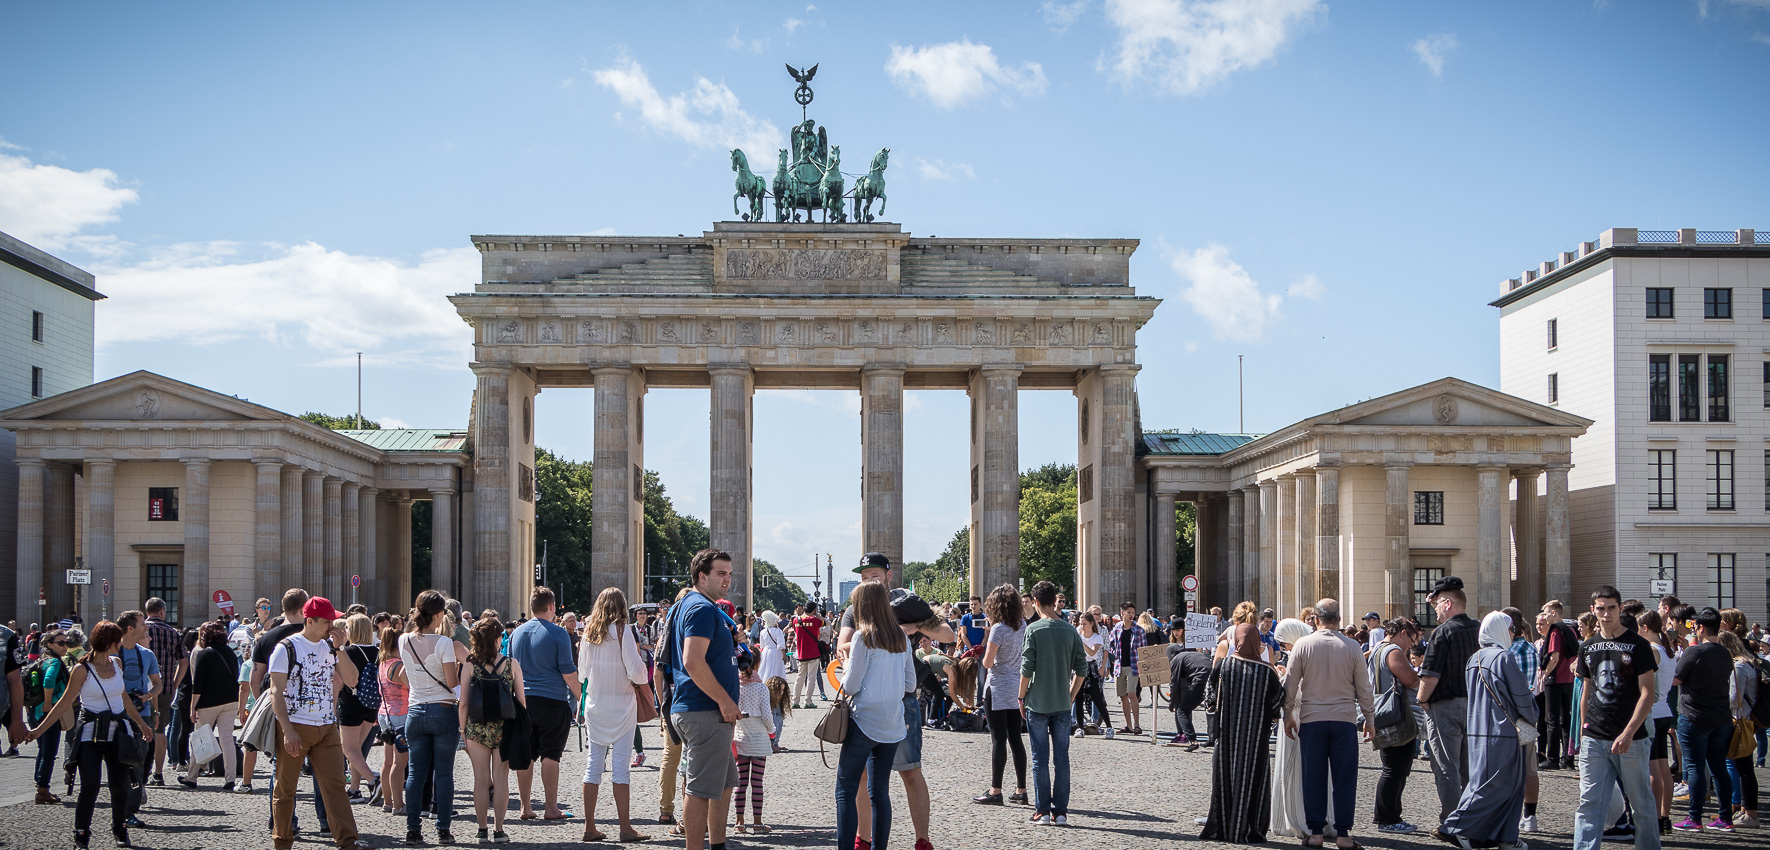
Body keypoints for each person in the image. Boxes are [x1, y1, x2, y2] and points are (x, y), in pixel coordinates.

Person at [839, 554, 956, 850]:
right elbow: (843, 644)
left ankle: (922, 839)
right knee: (869, 782)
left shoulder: (908, 602)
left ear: (889, 576)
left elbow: (947, 633)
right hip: (885, 697)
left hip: (898, 702)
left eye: (873, 576)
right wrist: (883, 636)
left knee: (910, 770)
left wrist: (910, 627)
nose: (868, 581)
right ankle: (864, 839)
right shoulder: (857, 608)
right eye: (864, 578)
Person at [23, 621, 153, 849]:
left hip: (117, 734)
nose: (121, 644)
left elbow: (123, 698)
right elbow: (63, 704)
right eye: (118, 640)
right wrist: (37, 731)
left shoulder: (117, 663)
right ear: (109, 642)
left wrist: (142, 724)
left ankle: (119, 829)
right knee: (90, 785)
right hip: (89, 735)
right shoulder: (82, 669)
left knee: (119, 785)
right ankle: (81, 834)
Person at [266, 597, 366, 850]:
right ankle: (282, 842)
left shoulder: (329, 648)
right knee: (286, 788)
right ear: (309, 621)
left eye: (333, 620)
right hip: (296, 725)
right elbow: (275, 691)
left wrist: (340, 648)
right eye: (326, 621)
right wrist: (287, 730)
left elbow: (352, 680)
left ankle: (347, 841)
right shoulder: (286, 647)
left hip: (326, 727)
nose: (332, 626)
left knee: (336, 786)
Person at [1437, 610, 1539, 850]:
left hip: (1479, 730)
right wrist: (1533, 715)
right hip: (1504, 731)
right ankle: (1456, 826)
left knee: (1484, 783)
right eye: (1511, 629)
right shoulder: (1504, 657)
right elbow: (1521, 695)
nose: (1513, 634)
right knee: (1503, 786)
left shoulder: (1475, 658)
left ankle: (1504, 837)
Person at [662, 550, 742, 850]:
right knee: (698, 789)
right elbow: (693, 661)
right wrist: (724, 700)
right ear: (701, 576)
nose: (728, 579)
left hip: (703, 709)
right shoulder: (701, 609)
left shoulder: (694, 606)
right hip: (705, 709)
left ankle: (718, 844)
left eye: (729, 573)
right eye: (721, 573)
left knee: (722, 784)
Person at [1282, 600, 1375, 849]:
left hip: (1312, 719)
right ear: (1339, 619)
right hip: (1344, 719)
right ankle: (1343, 834)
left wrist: (1288, 715)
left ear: (1315, 618)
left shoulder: (1303, 644)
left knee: (1313, 776)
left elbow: (1290, 684)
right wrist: (1369, 718)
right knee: (1345, 778)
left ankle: (1316, 833)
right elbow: (1364, 688)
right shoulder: (1353, 646)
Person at [835, 581, 916, 850]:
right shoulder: (901, 638)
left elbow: (851, 686)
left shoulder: (863, 637)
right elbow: (910, 685)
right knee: (879, 791)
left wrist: (846, 666)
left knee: (845, 789)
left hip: (864, 720)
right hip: (892, 723)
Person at [576, 587, 649, 843]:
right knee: (620, 768)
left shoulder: (588, 634)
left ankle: (589, 826)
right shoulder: (623, 632)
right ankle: (626, 827)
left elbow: (581, 675)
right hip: (622, 707)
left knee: (593, 766)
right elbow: (637, 673)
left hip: (595, 707)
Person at [1202, 622, 1284, 844]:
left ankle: (1224, 828)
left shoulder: (1225, 666)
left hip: (1227, 739)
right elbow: (1277, 705)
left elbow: (1209, 697)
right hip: (1256, 741)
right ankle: (1251, 828)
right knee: (1253, 782)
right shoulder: (1267, 672)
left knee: (1225, 780)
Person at [508, 585, 578, 822]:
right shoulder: (559, 634)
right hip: (553, 701)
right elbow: (568, 673)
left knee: (526, 754)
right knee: (551, 754)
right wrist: (583, 697)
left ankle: (526, 807)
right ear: (551, 607)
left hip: (523, 702)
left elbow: (511, 669)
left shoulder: (516, 634)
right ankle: (550, 807)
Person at [1019, 580, 1086, 825]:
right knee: (1062, 759)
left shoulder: (1034, 630)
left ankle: (1042, 811)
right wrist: (1070, 695)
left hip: (1037, 702)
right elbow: (1082, 668)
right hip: (1062, 703)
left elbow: (1026, 668)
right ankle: (1061, 812)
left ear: (1036, 602)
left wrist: (1020, 696)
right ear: (1053, 600)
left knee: (1040, 759)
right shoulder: (1070, 630)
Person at [401, 589, 465, 845]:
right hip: (442, 709)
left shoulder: (403, 639)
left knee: (416, 773)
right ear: (438, 614)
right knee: (444, 773)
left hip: (415, 710)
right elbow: (451, 682)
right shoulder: (444, 643)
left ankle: (413, 829)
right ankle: (443, 829)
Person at [1418, 576, 1480, 824]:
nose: (1434, 611)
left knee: (1446, 767)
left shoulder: (1443, 632)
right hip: (1475, 707)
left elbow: (1430, 674)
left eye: (1435, 605)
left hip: (1446, 707)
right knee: (1470, 768)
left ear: (1446, 603)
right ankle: (1471, 816)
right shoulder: (1478, 628)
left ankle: (1451, 820)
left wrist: (1422, 700)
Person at [462, 614, 525, 843]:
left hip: (477, 727)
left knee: (480, 779)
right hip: (504, 728)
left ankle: (481, 829)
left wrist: (462, 731)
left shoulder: (470, 664)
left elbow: (464, 703)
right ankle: (499, 829)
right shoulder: (511, 664)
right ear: (498, 639)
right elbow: (521, 702)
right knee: (501, 779)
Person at [1674, 607, 1735, 832]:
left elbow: (1675, 680)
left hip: (1694, 716)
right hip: (1721, 716)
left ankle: (1694, 818)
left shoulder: (1695, 652)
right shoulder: (1725, 652)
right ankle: (1726, 818)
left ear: (1699, 628)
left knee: (1696, 768)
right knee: (1719, 768)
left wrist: (1687, 648)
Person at [973, 583, 1029, 806]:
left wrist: (989, 635)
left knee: (998, 739)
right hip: (1016, 686)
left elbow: (987, 662)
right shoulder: (1022, 624)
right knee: (1016, 738)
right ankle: (1021, 789)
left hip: (997, 687)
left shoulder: (998, 629)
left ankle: (996, 789)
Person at [1371, 618, 1423, 833]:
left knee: (1393, 768)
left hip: (1384, 713)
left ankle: (1388, 815)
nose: (1411, 646)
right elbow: (1409, 679)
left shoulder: (1377, 649)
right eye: (1411, 640)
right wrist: (1425, 684)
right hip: (1396, 715)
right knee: (1395, 769)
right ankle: (1388, 818)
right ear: (1402, 633)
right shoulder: (1392, 651)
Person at [1269, 618, 1318, 840]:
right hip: (1311, 716)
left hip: (1296, 717)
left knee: (1294, 770)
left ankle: (1295, 819)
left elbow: (1296, 693)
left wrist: (1281, 677)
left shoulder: (1300, 653)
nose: (1284, 648)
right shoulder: (1312, 651)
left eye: (1285, 643)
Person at [112, 610, 162, 829]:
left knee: (139, 763)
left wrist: (148, 696)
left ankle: (129, 812)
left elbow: (158, 684)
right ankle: (119, 810)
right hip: (116, 715)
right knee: (117, 765)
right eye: (143, 624)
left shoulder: (147, 655)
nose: (146, 627)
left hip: (142, 714)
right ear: (130, 628)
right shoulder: (111, 653)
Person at [180, 620, 240, 789]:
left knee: (200, 738)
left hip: (208, 702)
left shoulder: (204, 654)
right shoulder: (230, 652)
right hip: (230, 700)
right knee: (227, 740)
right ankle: (230, 779)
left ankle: (192, 777)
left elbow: (197, 685)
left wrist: (193, 707)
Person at [1501, 607, 1543, 834]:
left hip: (1510, 714)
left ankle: (1509, 815)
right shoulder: (1530, 647)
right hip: (1528, 711)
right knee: (1530, 768)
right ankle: (1530, 816)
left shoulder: (1507, 651)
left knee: (1507, 767)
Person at [1635, 610, 1677, 835]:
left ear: (1644, 628)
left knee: (1653, 768)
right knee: (1663, 767)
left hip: (1652, 712)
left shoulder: (1652, 650)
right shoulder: (1668, 650)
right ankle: (1665, 817)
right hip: (1665, 711)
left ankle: (1654, 817)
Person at [141, 598, 186, 787]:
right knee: (161, 729)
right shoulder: (172, 632)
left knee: (141, 728)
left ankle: (142, 770)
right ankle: (158, 774)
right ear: (162, 611)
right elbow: (183, 661)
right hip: (165, 687)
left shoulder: (141, 630)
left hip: (142, 689)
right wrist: (175, 683)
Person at [336, 613, 380, 803]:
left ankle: (372, 780)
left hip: (351, 703)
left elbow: (340, 681)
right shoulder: (378, 651)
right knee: (358, 749)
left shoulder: (349, 651)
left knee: (348, 749)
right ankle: (354, 790)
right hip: (371, 704)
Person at [1719, 631, 1759, 829]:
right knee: (1744, 768)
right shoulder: (1748, 662)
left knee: (1744, 769)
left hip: (1740, 721)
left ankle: (1750, 813)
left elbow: (1735, 699)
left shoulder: (1738, 666)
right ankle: (1745, 811)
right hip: (1746, 720)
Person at [29, 628, 73, 805]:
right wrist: (48, 703)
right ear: (49, 644)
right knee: (49, 752)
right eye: (60, 643)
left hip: (36, 711)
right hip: (48, 711)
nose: (64, 646)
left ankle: (40, 785)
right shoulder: (54, 662)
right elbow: (48, 681)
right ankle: (42, 789)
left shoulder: (42, 660)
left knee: (43, 750)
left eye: (66, 643)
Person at [732, 650, 772, 834]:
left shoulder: (734, 686)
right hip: (759, 741)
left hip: (740, 739)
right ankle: (757, 823)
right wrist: (772, 731)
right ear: (757, 664)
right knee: (757, 783)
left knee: (740, 783)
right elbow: (767, 715)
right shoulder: (762, 688)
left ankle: (739, 822)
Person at [1539, 600, 1578, 769]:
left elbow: (1554, 657)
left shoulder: (1555, 632)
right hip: (1568, 679)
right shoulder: (1570, 630)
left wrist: (1544, 675)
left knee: (1552, 720)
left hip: (1555, 679)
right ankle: (1568, 759)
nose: (1545, 617)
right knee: (1566, 720)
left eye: (1547, 613)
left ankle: (1552, 758)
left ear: (1554, 613)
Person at [376, 625, 410, 816]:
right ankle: (398, 804)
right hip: (401, 715)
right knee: (400, 762)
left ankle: (387, 802)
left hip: (384, 714)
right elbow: (412, 688)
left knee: (387, 761)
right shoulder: (399, 665)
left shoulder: (383, 663)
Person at [1166, 622, 1212, 749]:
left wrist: (1172, 705)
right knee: (1212, 709)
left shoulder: (1175, 660)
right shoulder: (1191, 654)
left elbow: (1174, 685)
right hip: (1213, 677)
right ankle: (1213, 738)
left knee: (1182, 710)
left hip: (1200, 680)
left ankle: (1192, 740)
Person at [1108, 602, 1145, 736]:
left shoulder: (1139, 630)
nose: (1131, 615)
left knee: (1131, 693)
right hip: (1119, 666)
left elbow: (1144, 649)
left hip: (1133, 666)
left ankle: (1137, 724)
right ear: (1122, 612)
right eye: (1128, 612)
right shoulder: (1117, 628)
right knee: (1123, 696)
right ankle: (1128, 725)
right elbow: (1111, 643)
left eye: (1133, 612)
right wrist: (1114, 655)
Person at [1073, 613, 1110, 735]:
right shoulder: (1078, 633)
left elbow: (1092, 652)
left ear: (1091, 624)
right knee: (1078, 698)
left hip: (1091, 667)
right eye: (1081, 624)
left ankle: (1109, 726)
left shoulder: (1097, 638)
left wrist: (1080, 641)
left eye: (1085, 624)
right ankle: (1080, 727)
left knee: (1097, 698)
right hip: (1079, 666)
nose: (1082, 626)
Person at [790, 604, 825, 709]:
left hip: (801, 653)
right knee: (811, 677)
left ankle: (795, 701)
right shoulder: (815, 620)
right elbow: (825, 623)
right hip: (813, 653)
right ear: (814, 610)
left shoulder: (796, 620)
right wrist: (818, 615)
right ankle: (808, 701)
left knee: (799, 677)